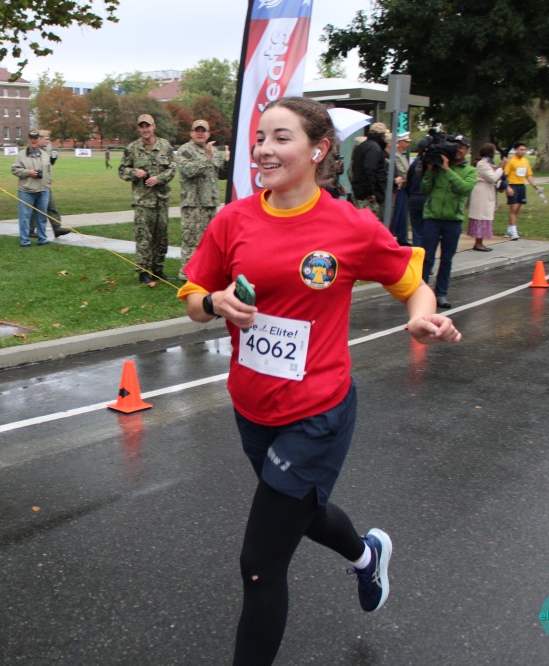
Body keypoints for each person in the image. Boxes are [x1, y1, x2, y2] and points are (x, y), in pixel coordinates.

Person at [177, 96, 462, 664]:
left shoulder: (349, 225)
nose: (264, 149)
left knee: (259, 564)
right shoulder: (233, 219)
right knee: (302, 512)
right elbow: (192, 298)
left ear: (319, 150)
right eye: (260, 138)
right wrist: (213, 302)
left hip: (317, 412)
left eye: (281, 138)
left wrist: (421, 317)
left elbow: (413, 284)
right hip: (251, 406)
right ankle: (366, 555)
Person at [421, 135, 477, 308]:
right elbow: (425, 188)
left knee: (446, 259)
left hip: (453, 220)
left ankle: (441, 294)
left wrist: (447, 170)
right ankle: (420, 292)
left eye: (461, 147)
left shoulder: (470, 171)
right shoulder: (438, 167)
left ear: (467, 150)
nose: (457, 150)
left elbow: (464, 188)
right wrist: (430, 170)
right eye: (455, 146)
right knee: (426, 257)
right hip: (432, 218)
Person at [119, 114, 176, 282]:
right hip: (143, 201)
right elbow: (122, 170)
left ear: (154, 126)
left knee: (161, 237)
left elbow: (172, 168)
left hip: (161, 199)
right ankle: (143, 272)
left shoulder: (165, 145)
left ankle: (158, 270)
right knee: (143, 237)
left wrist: (159, 178)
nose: (145, 129)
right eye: (142, 126)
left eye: (148, 126)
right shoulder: (132, 148)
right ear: (139, 128)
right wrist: (134, 172)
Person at [175, 119, 228, 280]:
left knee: (210, 242)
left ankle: (203, 274)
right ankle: (187, 276)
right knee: (192, 242)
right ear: (191, 133)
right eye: (197, 130)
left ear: (208, 134)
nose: (200, 133)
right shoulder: (185, 150)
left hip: (210, 204)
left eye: (203, 131)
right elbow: (189, 170)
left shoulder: (213, 151)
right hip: (193, 205)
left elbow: (221, 174)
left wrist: (228, 160)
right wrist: (207, 157)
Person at [10, 130, 52, 247]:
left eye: (36, 138)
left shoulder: (44, 154)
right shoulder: (21, 155)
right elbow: (14, 169)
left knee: (42, 217)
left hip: (43, 191)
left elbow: (49, 169)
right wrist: (28, 172)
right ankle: (25, 241)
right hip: (26, 191)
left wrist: (49, 180)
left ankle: (42, 239)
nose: (33, 140)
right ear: (28, 140)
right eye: (31, 138)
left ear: (39, 140)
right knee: (25, 218)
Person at [501, 141, 543, 240]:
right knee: (513, 209)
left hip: (521, 186)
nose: (523, 151)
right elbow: (504, 176)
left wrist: (536, 186)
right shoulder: (511, 161)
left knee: (516, 210)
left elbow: (529, 176)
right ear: (515, 150)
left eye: (524, 150)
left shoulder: (525, 161)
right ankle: (514, 232)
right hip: (512, 186)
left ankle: (510, 229)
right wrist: (508, 187)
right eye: (520, 149)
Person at [349, 121, 389, 223]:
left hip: (359, 192)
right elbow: (369, 170)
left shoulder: (362, 146)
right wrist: (371, 192)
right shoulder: (375, 148)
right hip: (368, 196)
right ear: (381, 135)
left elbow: (354, 169)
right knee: (371, 223)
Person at [467, 143, 503, 252]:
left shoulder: (488, 163)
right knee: (481, 216)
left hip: (487, 191)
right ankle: (478, 243)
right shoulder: (482, 164)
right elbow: (492, 178)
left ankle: (480, 242)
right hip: (482, 192)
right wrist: (501, 168)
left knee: (484, 215)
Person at [35, 130, 70, 238]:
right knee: (32, 209)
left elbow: (47, 166)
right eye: (46, 139)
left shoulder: (44, 151)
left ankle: (57, 228)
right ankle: (30, 230)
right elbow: (37, 166)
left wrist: (52, 160)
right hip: (35, 185)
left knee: (51, 207)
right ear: (39, 139)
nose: (48, 141)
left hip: (45, 184)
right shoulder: (35, 151)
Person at [405, 138, 429, 247]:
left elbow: (409, 180)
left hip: (414, 197)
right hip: (426, 198)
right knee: (426, 231)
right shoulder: (431, 164)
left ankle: (417, 253)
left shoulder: (415, 162)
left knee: (417, 231)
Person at [389, 132, 412, 246]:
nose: (407, 144)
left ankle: (402, 237)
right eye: (406, 142)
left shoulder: (401, 155)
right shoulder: (396, 155)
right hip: (399, 187)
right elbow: (403, 172)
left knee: (402, 214)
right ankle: (393, 235)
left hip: (404, 186)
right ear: (400, 142)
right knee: (397, 213)